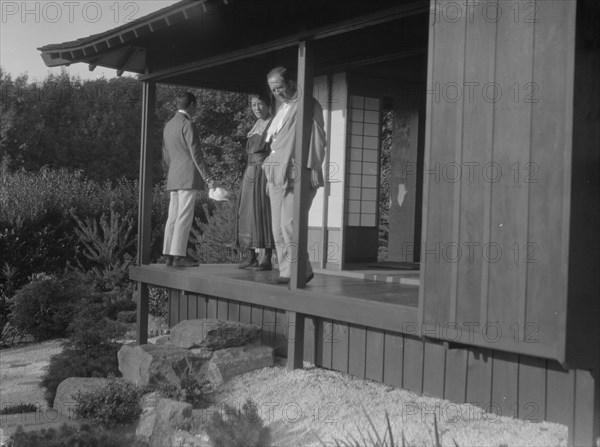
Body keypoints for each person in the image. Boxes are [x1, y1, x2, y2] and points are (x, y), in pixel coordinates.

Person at [262, 66, 327, 284]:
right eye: (272, 89)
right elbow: (274, 144)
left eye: (279, 87)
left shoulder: (308, 104)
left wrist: (313, 168)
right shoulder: (282, 108)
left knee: (290, 224)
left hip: (296, 171)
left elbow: (318, 138)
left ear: (290, 83)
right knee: (277, 226)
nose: (276, 93)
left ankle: (299, 270)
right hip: (276, 172)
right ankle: (288, 270)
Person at [162, 92, 213, 267]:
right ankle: (178, 255)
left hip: (174, 176)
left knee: (173, 216)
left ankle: (168, 254)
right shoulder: (187, 124)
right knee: (184, 215)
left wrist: (173, 170)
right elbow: (196, 154)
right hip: (187, 175)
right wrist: (208, 178)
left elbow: (166, 156)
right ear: (192, 104)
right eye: (196, 105)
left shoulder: (168, 125)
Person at [234, 93, 275, 270]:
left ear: (268, 105)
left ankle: (265, 257)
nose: (257, 108)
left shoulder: (273, 124)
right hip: (249, 172)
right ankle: (249, 254)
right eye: (253, 105)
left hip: (263, 170)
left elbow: (276, 152)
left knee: (263, 211)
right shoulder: (256, 125)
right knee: (246, 212)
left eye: (260, 104)